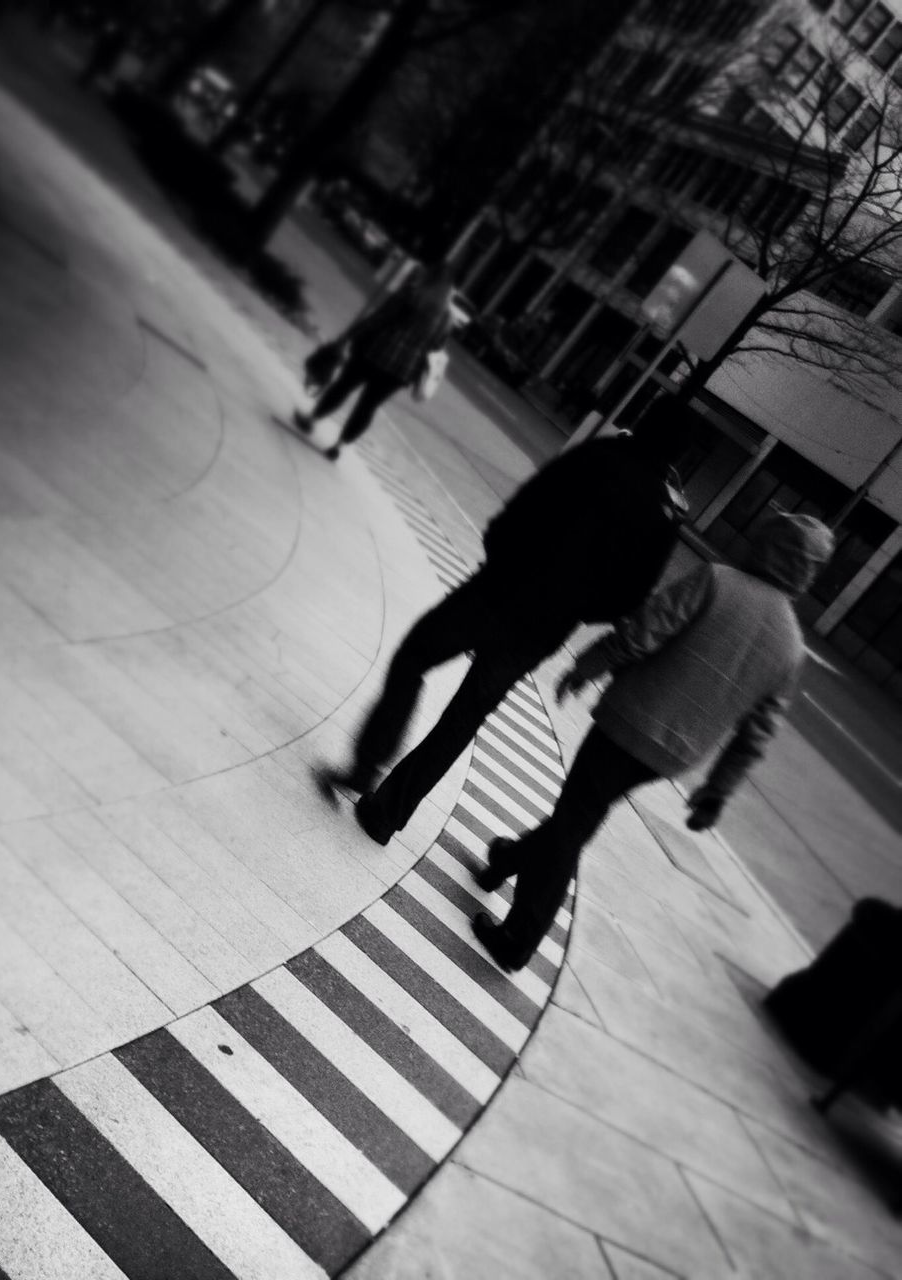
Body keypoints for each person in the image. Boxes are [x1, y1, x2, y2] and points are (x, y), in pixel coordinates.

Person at [471, 510, 836, 973]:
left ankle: (516, 940)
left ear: (769, 545)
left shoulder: (718, 580)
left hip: (628, 722)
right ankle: (508, 857)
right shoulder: (791, 647)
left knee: (571, 826)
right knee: (579, 815)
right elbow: (757, 734)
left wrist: (594, 661)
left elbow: (648, 628)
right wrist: (716, 792)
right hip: (670, 756)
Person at [316, 408, 687, 843]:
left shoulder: (602, 455)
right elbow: (632, 595)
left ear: (646, 424)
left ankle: (367, 763)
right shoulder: (665, 513)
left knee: (414, 656)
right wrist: (580, 608)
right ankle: (386, 812)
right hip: (547, 626)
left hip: (500, 589)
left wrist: (499, 548)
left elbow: (535, 499)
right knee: (466, 713)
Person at [295, 262, 455, 460]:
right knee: (368, 406)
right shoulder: (447, 318)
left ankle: (311, 419)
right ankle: (339, 446)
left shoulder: (411, 294)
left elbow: (379, 318)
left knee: (343, 386)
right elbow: (435, 350)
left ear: (429, 277)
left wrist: (348, 336)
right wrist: (414, 374)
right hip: (401, 371)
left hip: (376, 351)